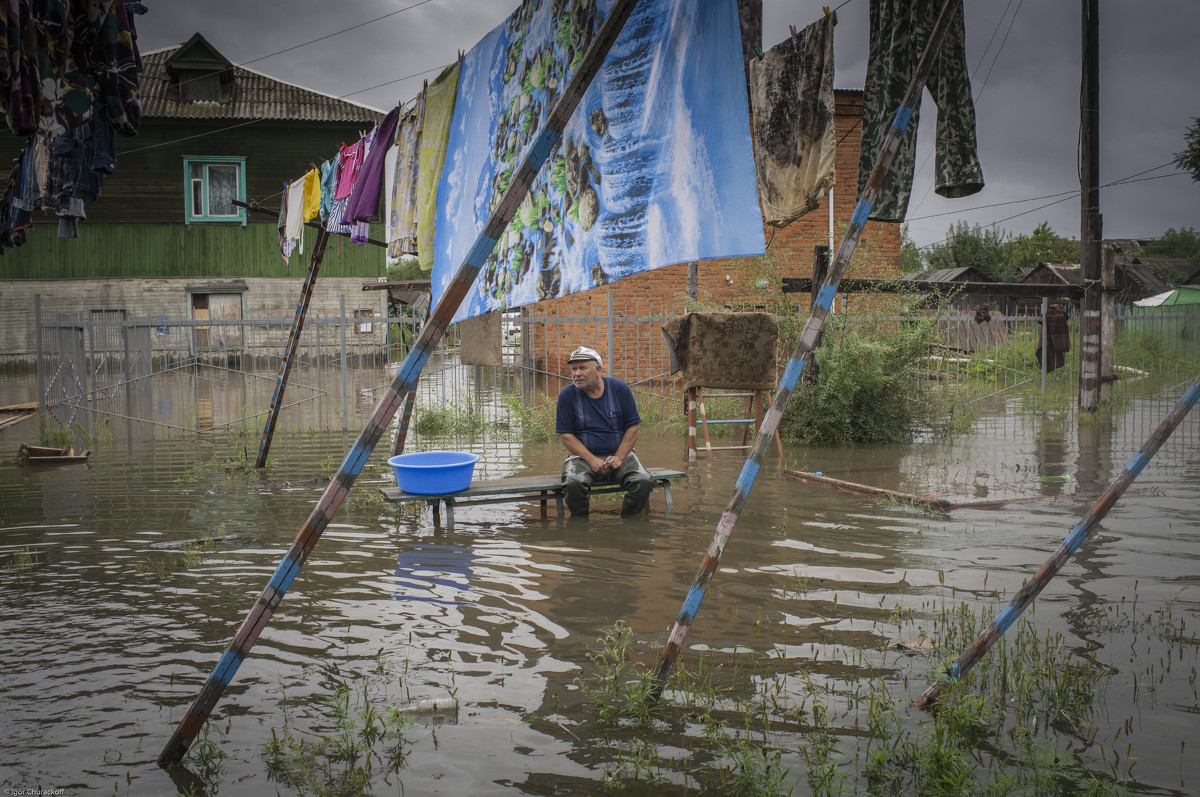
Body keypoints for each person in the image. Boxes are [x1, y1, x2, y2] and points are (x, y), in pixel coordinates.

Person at [555, 346, 653, 517]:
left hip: (619, 455)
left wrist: (620, 457)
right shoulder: (567, 395)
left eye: (582, 368)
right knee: (573, 483)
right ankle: (580, 528)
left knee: (642, 481)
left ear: (598, 369)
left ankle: (627, 527)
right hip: (582, 458)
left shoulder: (619, 389)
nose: (576, 373)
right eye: (573, 369)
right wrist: (591, 459)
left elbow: (634, 427)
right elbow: (566, 436)